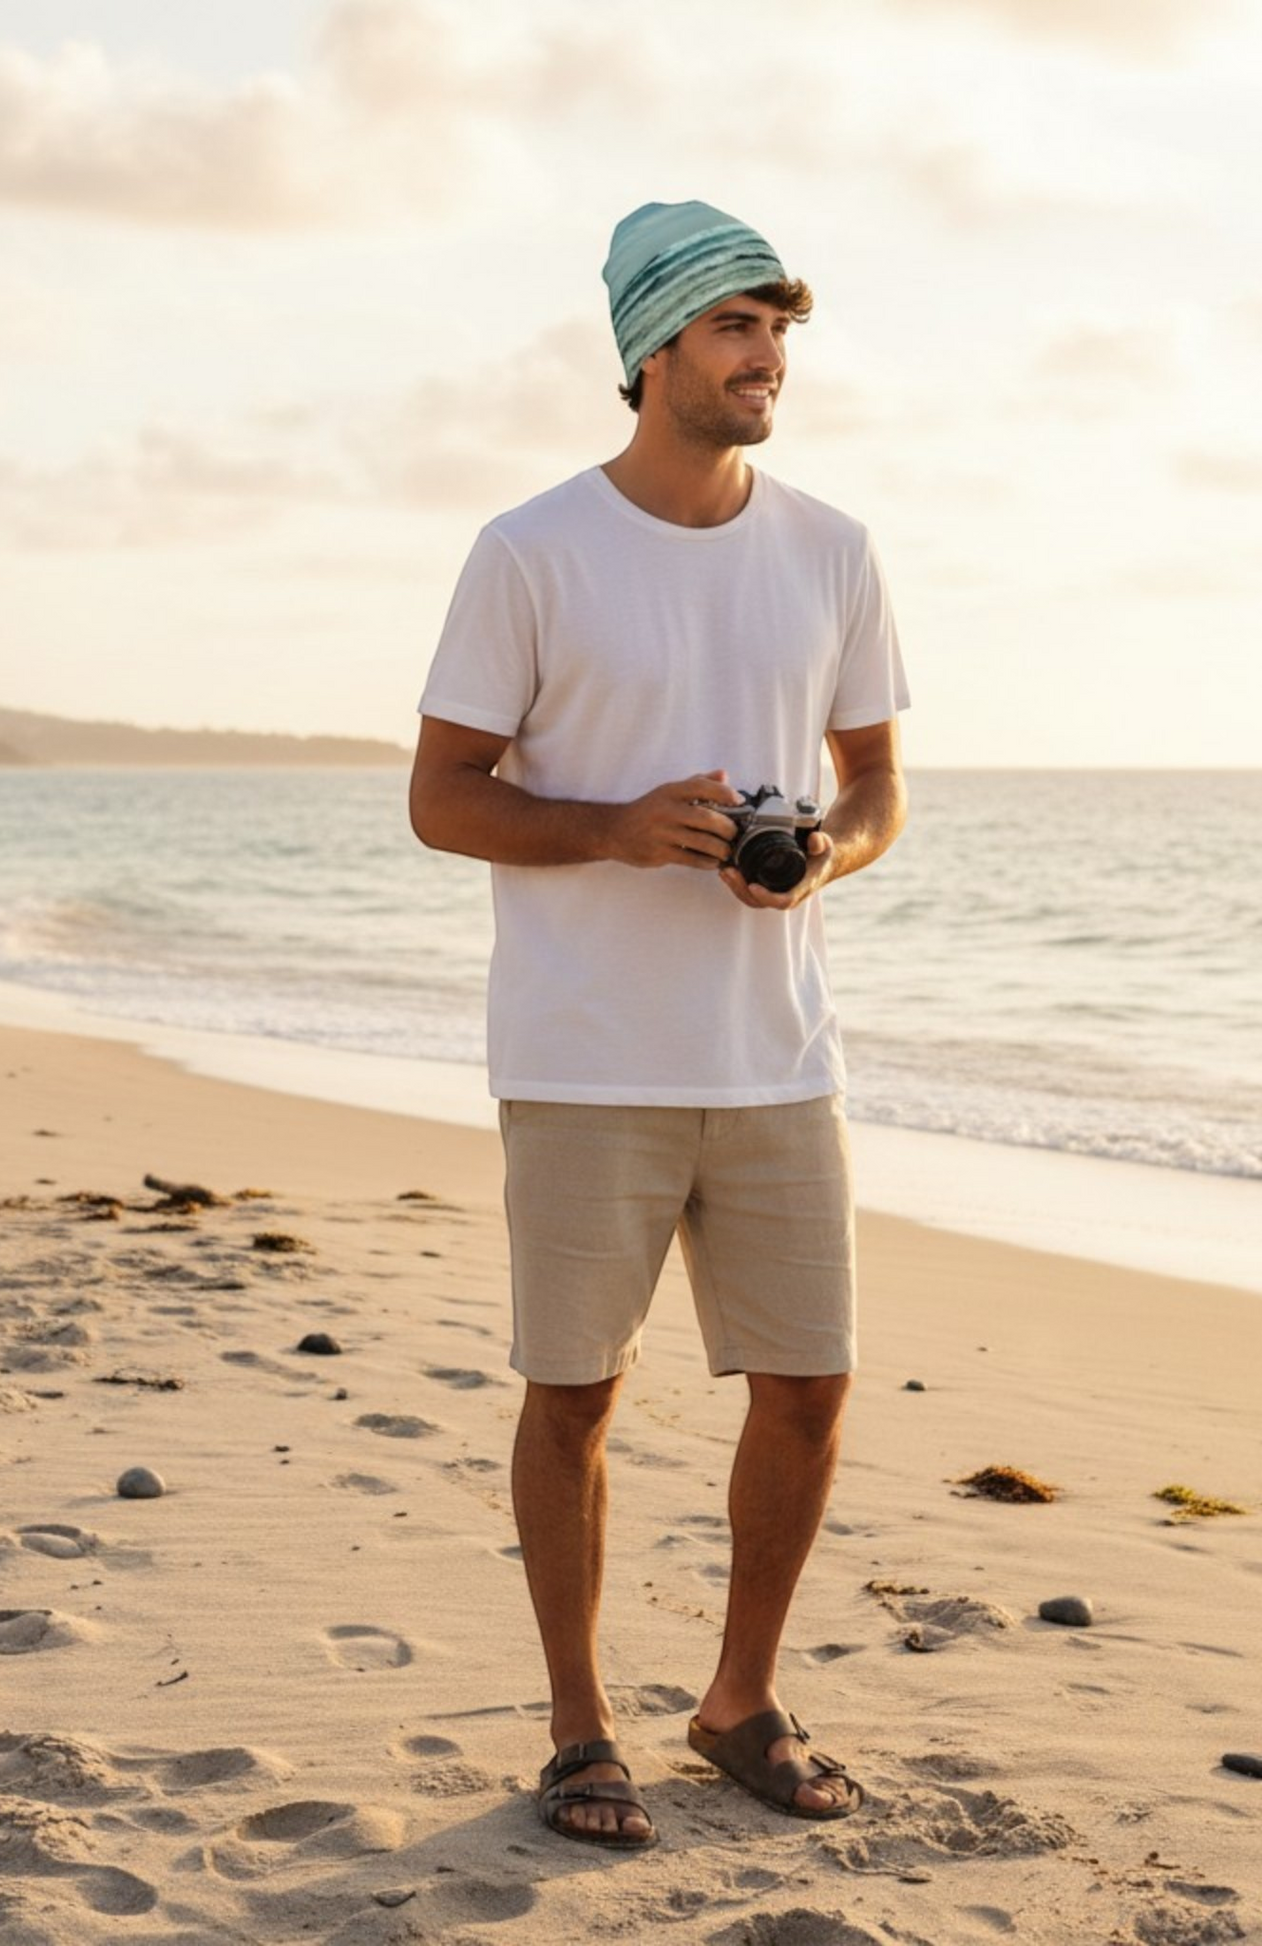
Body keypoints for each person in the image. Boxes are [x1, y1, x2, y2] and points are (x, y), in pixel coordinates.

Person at [409, 199, 909, 1851]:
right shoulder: (531, 550)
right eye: (734, 328)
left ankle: (737, 1699)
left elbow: (878, 787)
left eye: (780, 330)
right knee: (573, 1394)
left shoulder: (831, 546)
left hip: (776, 1047)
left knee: (812, 1385)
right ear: (649, 351)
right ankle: (578, 1727)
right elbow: (439, 795)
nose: (768, 358)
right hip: (581, 1054)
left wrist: (820, 854)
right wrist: (617, 827)